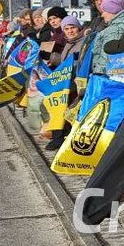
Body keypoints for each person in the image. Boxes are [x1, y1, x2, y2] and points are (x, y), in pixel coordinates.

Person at [45, 16, 87, 151]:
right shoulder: (69, 43)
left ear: (79, 28)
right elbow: (64, 62)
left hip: (76, 83)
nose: (70, 31)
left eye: (73, 27)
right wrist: (51, 58)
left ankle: (63, 137)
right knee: (58, 108)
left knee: (68, 111)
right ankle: (59, 136)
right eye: (66, 29)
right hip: (66, 83)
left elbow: (80, 62)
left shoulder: (84, 42)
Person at [90, 0, 124, 75]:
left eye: (105, 11)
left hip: (103, 75)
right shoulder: (115, 26)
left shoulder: (114, 30)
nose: (102, 15)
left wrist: (97, 74)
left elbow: (106, 56)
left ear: (113, 11)